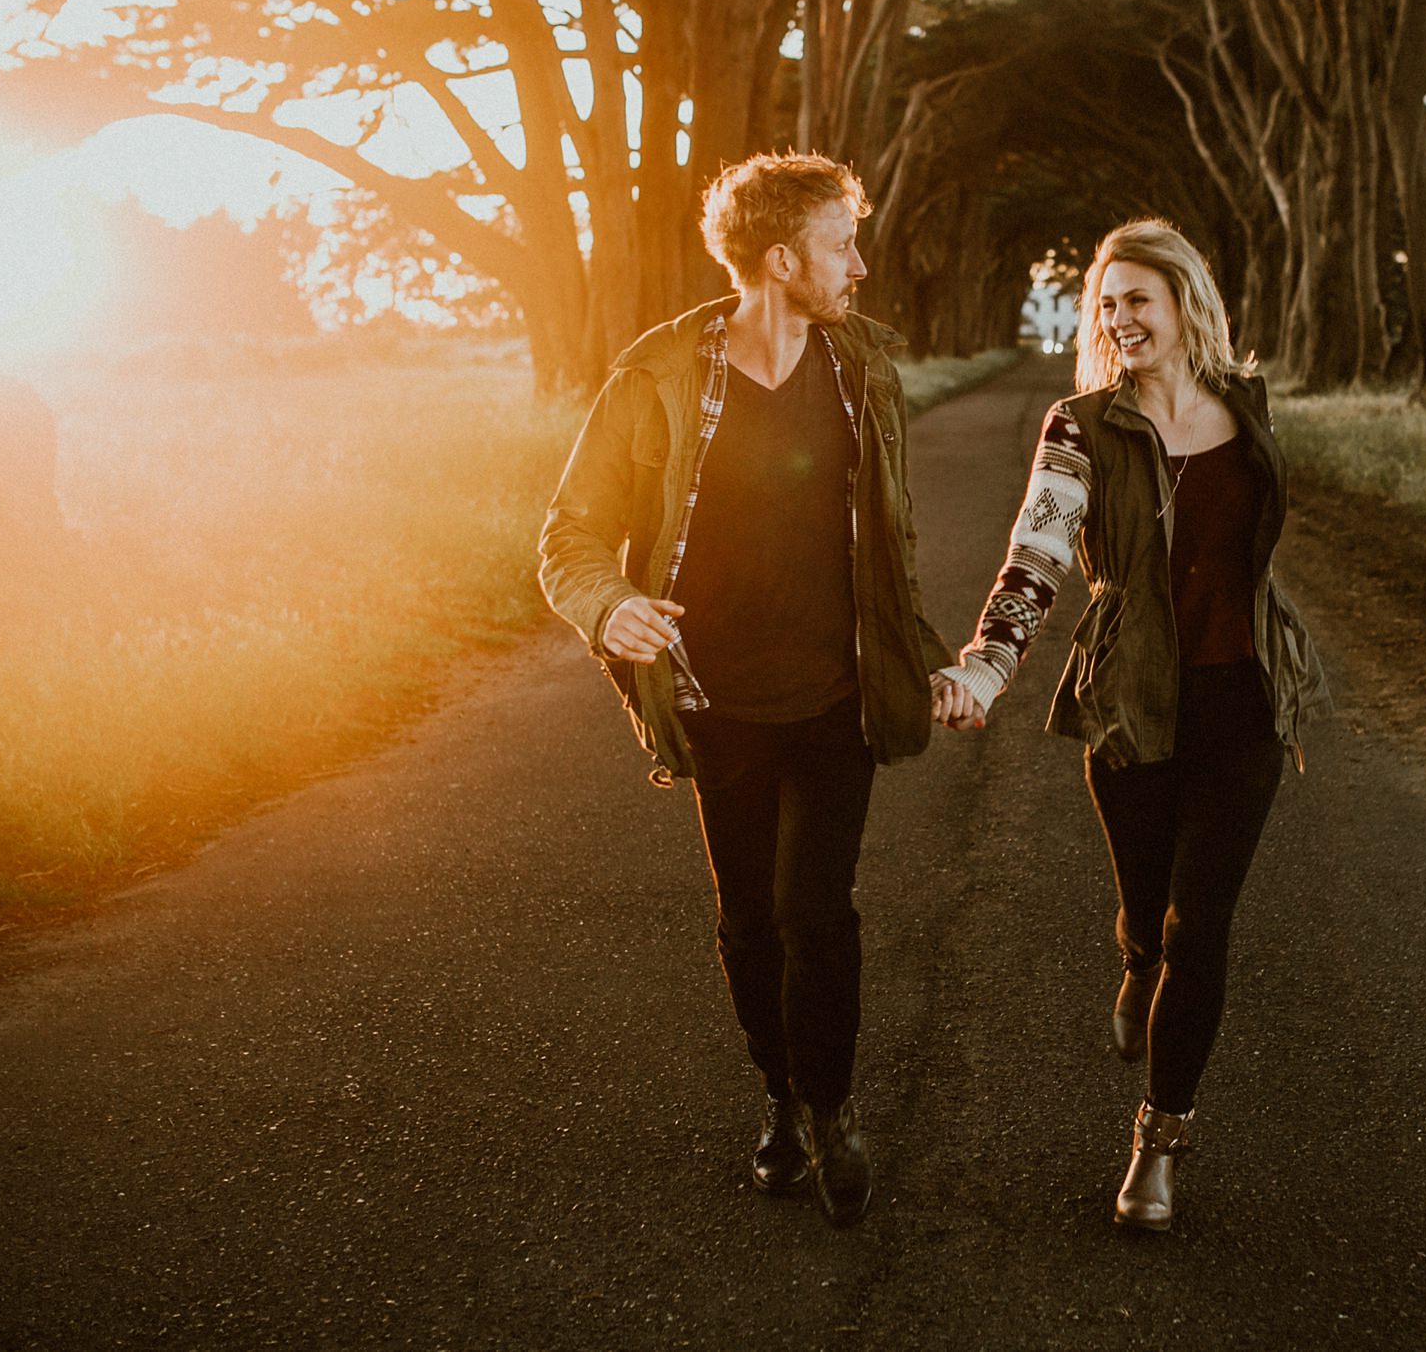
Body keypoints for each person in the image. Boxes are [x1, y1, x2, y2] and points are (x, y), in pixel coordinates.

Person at [538, 153, 948, 1228]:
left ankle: (831, 1109)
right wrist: (610, 605)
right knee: (749, 920)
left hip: (835, 696)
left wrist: (921, 653)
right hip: (713, 701)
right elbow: (570, 533)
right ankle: (779, 1091)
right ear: (780, 260)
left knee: (819, 911)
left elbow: (891, 534)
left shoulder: (862, 370)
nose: (858, 266)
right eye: (840, 245)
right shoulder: (657, 377)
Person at [932, 218, 1328, 1233]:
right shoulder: (1079, 425)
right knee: (1153, 917)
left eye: (1136, 300)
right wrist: (987, 665)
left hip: (1243, 699)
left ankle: (1159, 1138)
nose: (1118, 320)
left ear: (1186, 302)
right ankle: (1135, 956)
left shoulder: (1246, 403)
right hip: (1130, 701)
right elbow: (1036, 556)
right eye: (1105, 305)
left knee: (1202, 925)